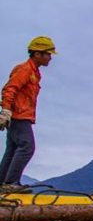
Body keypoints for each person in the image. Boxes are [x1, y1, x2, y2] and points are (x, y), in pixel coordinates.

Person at [0, 37, 56, 187]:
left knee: (12, 149)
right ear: (37, 54)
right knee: (27, 147)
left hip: (22, 115)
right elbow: (10, 88)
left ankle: (2, 184)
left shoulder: (35, 73)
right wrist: (5, 110)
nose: (50, 58)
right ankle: (11, 183)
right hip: (19, 116)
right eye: (48, 54)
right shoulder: (24, 69)